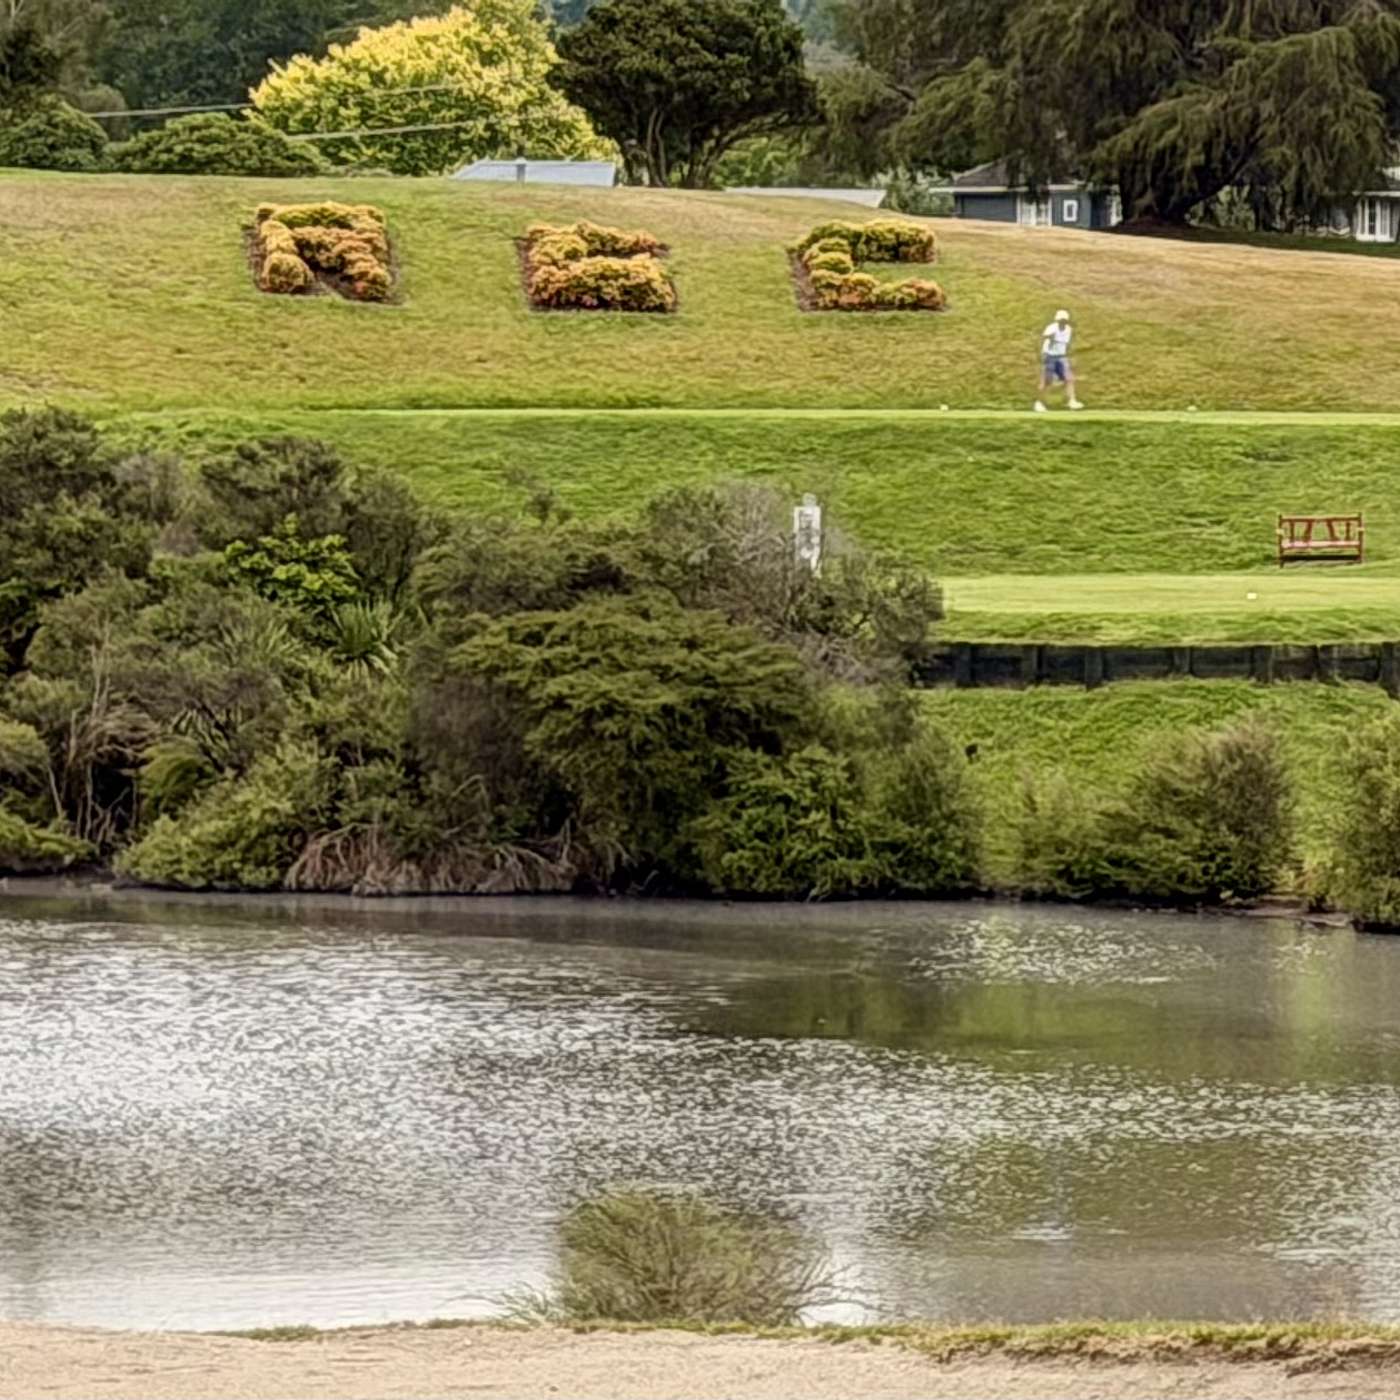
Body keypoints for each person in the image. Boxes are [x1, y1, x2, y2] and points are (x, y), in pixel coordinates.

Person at [1034, 309, 1083, 413]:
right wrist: (1044, 350)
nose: (1062, 322)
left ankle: (1072, 401)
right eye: (1061, 320)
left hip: (1061, 356)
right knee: (1047, 381)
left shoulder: (1068, 329)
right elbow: (1044, 338)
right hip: (1049, 356)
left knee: (1069, 379)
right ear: (1057, 320)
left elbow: (1065, 343)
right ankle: (1039, 403)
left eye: (1064, 320)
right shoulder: (1051, 328)